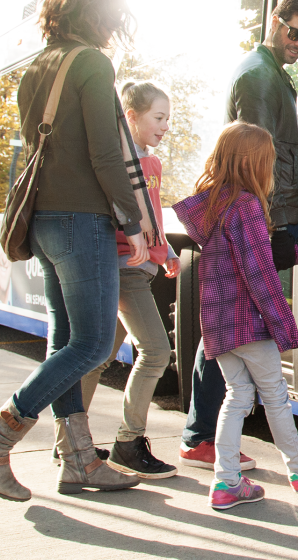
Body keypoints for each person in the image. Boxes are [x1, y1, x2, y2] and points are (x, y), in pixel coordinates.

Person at [0, 0, 146, 500]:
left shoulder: (37, 68)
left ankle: (80, 461)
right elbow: (105, 154)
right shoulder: (91, 63)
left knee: (64, 342)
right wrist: (134, 220)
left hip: (43, 221)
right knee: (89, 344)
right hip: (82, 219)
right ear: (98, 12)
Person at [179, 0, 298, 469]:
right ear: (275, 22)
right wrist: (268, 230)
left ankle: (199, 435)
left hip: (284, 209)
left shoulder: (270, 73)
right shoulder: (260, 78)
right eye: (294, 32)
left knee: (225, 321)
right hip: (269, 217)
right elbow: (254, 158)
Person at [173, 122, 298, 510]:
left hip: (218, 322)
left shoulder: (213, 205)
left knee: (237, 396)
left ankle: (227, 481)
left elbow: (242, 258)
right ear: (255, 163)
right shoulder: (246, 205)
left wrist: (296, 253)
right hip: (247, 320)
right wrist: (282, 322)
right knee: (275, 396)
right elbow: (258, 272)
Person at [76, 81, 180, 479]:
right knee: (155, 352)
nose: (165, 125)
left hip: (144, 265)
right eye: (158, 117)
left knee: (98, 358)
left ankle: (71, 442)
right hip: (125, 267)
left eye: (168, 118)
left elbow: (151, 212)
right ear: (130, 117)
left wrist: (166, 250)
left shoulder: (149, 162)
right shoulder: (117, 161)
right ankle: (128, 443)